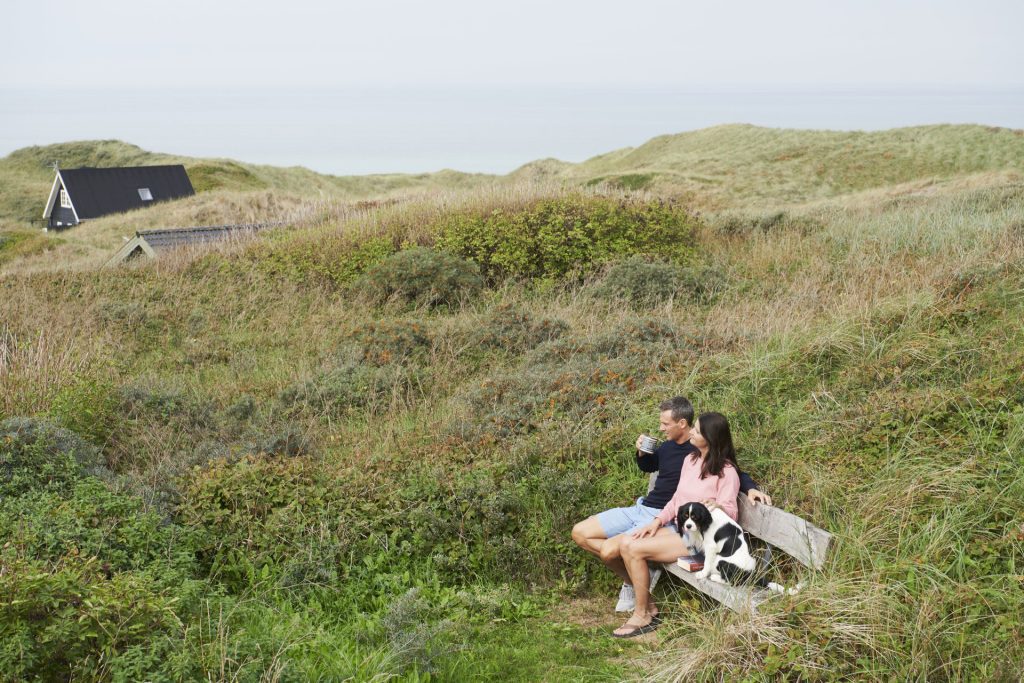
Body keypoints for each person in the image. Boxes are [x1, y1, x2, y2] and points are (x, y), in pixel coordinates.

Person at [570, 398, 771, 613]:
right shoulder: (689, 458)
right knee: (597, 537)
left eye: (666, 424)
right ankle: (638, 585)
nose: (661, 428)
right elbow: (670, 491)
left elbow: (731, 477)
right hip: (660, 516)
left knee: (621, 548)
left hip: (692, 533)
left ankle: (642, 604)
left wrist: (742, 491)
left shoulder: (715, 464)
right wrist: (642, 454)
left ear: (684, 424)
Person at [611, 411, 743, 637]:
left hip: (702, 541)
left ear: (710, 438)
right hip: (680, 531)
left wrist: (717, 506)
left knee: (632, 548)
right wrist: (657, 521)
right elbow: (676, 500)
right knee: (626, 543)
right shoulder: (690, 460)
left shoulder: (726, 472)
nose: (691, 431)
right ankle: (649, 608)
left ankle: (642, 615)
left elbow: (732, 513)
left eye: (697, 431)